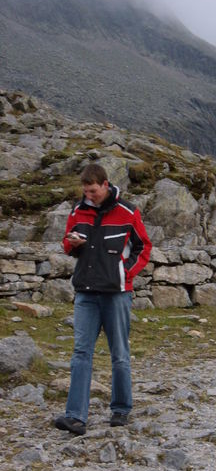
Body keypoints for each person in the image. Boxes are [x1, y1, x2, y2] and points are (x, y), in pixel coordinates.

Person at [55, 163, 152, 435]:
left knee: (119, 354)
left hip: (117, 295)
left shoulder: (128, 211)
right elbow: (66, 244)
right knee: (80, 353)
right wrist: (72, 243)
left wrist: (125, 275)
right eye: (86, 192)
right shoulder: (78, 210)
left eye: (94, 191)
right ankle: (75, 417)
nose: (90, 196)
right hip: (85, 292)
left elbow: (143, 247)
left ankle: (121, 409)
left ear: (106, 185)